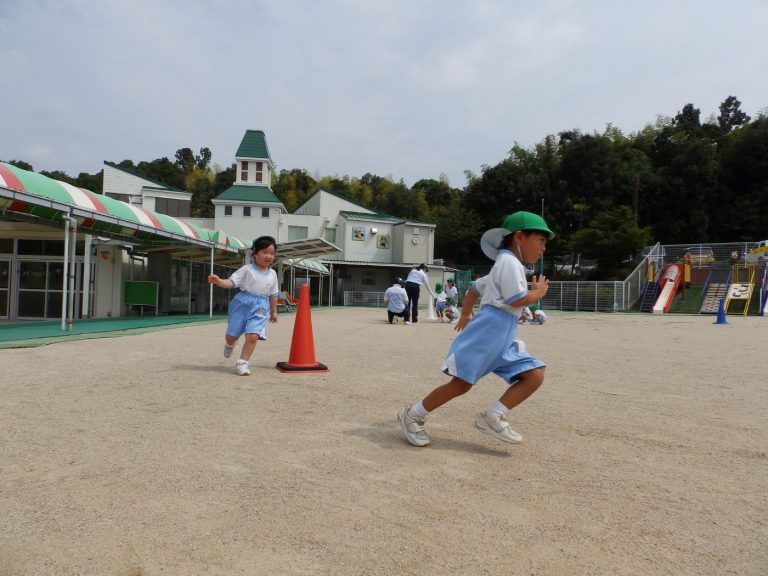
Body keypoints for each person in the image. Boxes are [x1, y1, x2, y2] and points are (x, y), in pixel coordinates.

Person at [397, 211, 554, 446]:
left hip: (502, 333)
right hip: (490, 332)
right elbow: (515, 299)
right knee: (461, 384)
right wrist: (538, 293)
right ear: (520, 237)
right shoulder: (509, 262)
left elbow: (474, 288)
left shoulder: (506, 264)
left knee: (534, 374)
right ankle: (412, 415)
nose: (543, 248)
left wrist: (466, 313)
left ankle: (493, 416)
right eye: (541, 240)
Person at [208, 236, 279, 376]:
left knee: (253, 336)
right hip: (242, 304)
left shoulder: (273, 274)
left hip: (261, 307)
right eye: (265, 252)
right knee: (231, 336)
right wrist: (219, 281)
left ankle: (243, 363)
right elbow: (231, 282)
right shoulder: (247, 269)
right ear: (255, 254)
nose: (269, 256)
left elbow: (274, 294)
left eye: (272, 253)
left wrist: (274, 312)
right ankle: (230, 344)